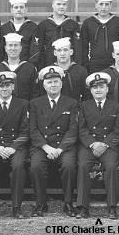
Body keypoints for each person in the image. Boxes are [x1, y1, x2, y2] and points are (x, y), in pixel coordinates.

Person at [29, 66, 79, 217]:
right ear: (44, 85)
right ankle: (40, 204)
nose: (53, 85)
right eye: (49, 82)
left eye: (56, 82)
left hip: (64, 146)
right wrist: (46, 147)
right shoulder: (35, 103)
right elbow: (33, 130)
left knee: (69, 166)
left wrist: (60, 149)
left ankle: (68, 203)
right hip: (42, 146)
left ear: (61, 84)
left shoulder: (71, 103)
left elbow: (72, 130)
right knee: (35, 166)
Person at [0, 71, 30, 219]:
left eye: (7, 85)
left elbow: (26, 132)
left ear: (13, 86)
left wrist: (13, 147)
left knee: (19, 166)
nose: (4, 89)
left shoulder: (23, 104)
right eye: (0, 86)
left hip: (15, 145)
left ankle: (16, 207)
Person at [76, 73, 119, 219]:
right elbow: (81, 129)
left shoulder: (116, 107)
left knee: (111, 167)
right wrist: (92, 143)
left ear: (107, 89)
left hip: (108, 145)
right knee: (83, 166)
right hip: (89, 145)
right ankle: (83, 207)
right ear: (90, 90)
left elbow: (118, 130)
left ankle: (112, 207)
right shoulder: (83, 106)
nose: (98, 90)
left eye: (101, 87)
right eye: (95, 87)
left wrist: (104, 144)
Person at [80, 0, 119, 74]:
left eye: (106, 4)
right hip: (95, 63)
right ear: (96, 5)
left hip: (114, 63)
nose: (103, 7)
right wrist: (85, 64)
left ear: (111, 6)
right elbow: (83, 46)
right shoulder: (88, 22)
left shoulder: (118, 22)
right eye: (101, 4)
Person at [36, 0, 83, 68]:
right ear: (52, 5)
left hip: (68, 65)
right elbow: (39, 48)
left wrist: (77, 66)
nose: (61, 7)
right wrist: (40, 67)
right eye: (58, 4)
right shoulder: (44, 25)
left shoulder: (73, 25)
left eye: (64, 4)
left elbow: (78, 48)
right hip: (48, 63)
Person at [0, 33, 38, 100]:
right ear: (5, 48)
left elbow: (35, 92)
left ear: (21, 48)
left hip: (25, 108)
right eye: (10, 45)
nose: (13, 48)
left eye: (16, 45)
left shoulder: (29, 68)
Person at [42, 36, 88, 102]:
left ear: (71, 52)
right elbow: (43, 93)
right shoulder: (48, 71)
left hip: (75, 109)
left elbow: (86, 94)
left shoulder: (81, 71)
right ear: (55, 53)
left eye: (65, 50)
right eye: (59, 50)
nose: (62, 53)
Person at [0, 0, 39, 66]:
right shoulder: (5, 28)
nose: (19, 10)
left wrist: (31, 66)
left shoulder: (33, 27)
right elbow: (1, 49)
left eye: (21, 7)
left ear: (26, 10)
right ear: (11, 10)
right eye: (16, 7)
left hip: (26, 65)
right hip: (8, 65)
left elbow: (35, 50)